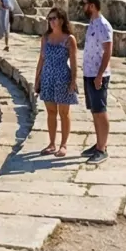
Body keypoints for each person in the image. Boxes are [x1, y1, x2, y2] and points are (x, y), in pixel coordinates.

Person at [34, 9, 79, 155]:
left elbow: (73, 62)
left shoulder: (69, 39)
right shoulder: (46, 38)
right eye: (49, 19)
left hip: (63, 78)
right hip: (47, 77)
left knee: (64, 113)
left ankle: (63, 144)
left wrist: (74, 81)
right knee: (51, 112)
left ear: (61, 20)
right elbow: (41, 59)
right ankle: (52, 143)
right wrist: (37, 79)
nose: (51, 21)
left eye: (53, 18)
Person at [82, 0, 114, 163]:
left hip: (98, 75)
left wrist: (100, 74)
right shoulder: (92, 23)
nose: (83, 7)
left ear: (92, 5)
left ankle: (103, 148)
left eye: (84, 4)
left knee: (101, 111)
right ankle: (98, 143)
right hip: (89, 73)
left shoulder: (103, 25)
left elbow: (108, 51)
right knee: (94, 111)